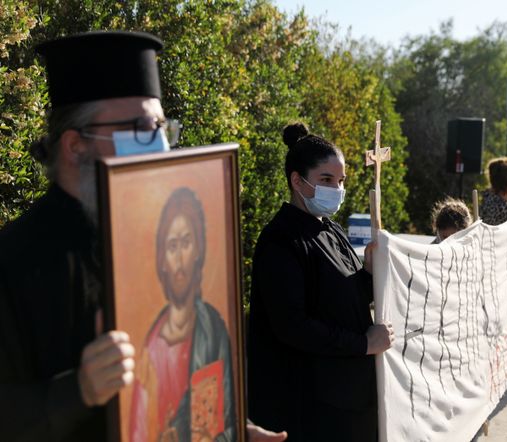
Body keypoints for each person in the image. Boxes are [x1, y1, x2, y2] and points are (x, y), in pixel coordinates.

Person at [0, 31, 286, 442]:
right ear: (76, 146)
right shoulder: (14, 259)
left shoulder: (155, 239)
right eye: (140, 127)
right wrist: (78, 389)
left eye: (161, 126)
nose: (160, 143)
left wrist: (225, 428)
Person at [247, 122, 394, 442]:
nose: (336, 189)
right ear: (297, 181)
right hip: (310, 407)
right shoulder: (281, 240)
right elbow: (292, 325)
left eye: (340, 181)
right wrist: (363, 344)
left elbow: (342, 299)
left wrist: (369, 274)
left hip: (348, 400)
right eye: (326, 179)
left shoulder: (331, 229)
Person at [129, 187, 235, 442]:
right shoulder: (150, 348)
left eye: (186, 243)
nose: (179, 257)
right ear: (162, 259)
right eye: (171, 245)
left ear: (198, 250)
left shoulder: (212, 327)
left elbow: (227, 418)